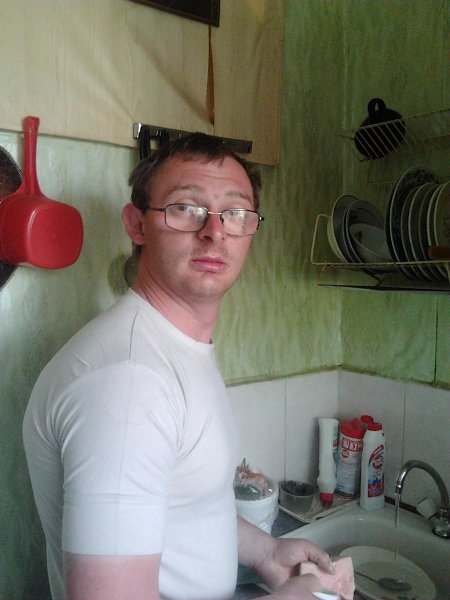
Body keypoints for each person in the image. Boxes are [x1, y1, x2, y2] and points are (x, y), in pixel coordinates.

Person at [23, 133, 333, 600]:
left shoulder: (171, 347)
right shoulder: (128, 385)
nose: (215, 231)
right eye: (186, 207)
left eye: (235, 212)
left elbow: (182, 505)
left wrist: (267, 553)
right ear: (137, 225)